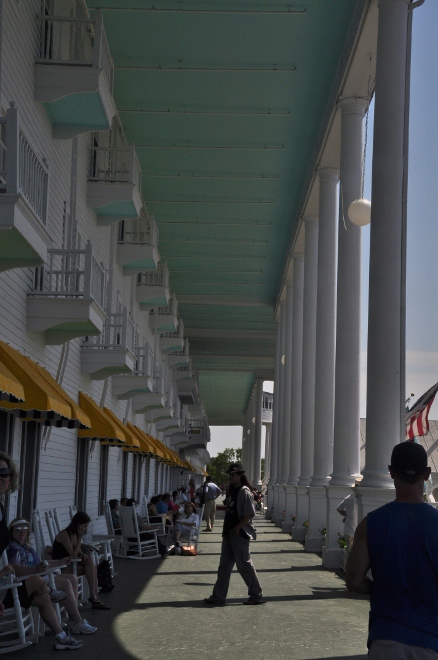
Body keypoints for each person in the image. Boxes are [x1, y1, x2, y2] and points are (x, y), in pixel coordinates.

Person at [347, 441, 438, 659]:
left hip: (385, 638)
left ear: (391, 472)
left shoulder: (370, 524)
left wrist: (382, 590)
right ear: (426, 474)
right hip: (431, 639)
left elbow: (354, 581)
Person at [0, 452, 83, 650]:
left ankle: (62, 636)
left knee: (43, 598)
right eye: (17, 529)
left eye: (4, 472)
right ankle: (57, 598)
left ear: (11, 477)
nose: (0, 477)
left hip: (9, 583)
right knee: (41, 585)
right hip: (4, 588)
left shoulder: (1, 508)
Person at [7, 518, 96, 635]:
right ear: (11, 531)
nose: (22, 531)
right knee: (66, 583)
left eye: (25, 528)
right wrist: (34, 570)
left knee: (72, 578)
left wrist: (59, 562)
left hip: (38, 576)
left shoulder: (26, 547)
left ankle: (72, 619)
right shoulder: (13, 548)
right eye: (18, 529)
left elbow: (41, 563)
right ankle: (77, 620)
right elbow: (15, 568)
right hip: (29, 581)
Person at [204, 463, 265, 606]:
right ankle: (218, 596)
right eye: (230, 474)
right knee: (224, 566)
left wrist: (238, 528)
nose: (231, 477)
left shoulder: (244, 491)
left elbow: (249, 514)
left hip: (239, 533)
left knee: (244, 564)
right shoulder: (233, 491)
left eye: (233, 474)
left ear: (240, 475)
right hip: (229, 532)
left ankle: (256, 594)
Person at [52, 511, 110, 610]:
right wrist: (80, 538)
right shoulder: (64, 535)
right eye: (84, 526)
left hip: (70, 565)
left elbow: (78, 553)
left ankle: (94, 596)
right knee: (93, 568)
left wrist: (83, 555)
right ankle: (94, 597)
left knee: (90, 561)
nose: (85, 529)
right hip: (60, 568)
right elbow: (74, 555)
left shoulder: (74, 534)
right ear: (78, 525)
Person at [337, 492, 358, 559]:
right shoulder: (362, 498)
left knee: (349, 552)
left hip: (349, 529)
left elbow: (339, 508)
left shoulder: (349, 497)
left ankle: (348, 568)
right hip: (357, 529)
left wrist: (347, 515)